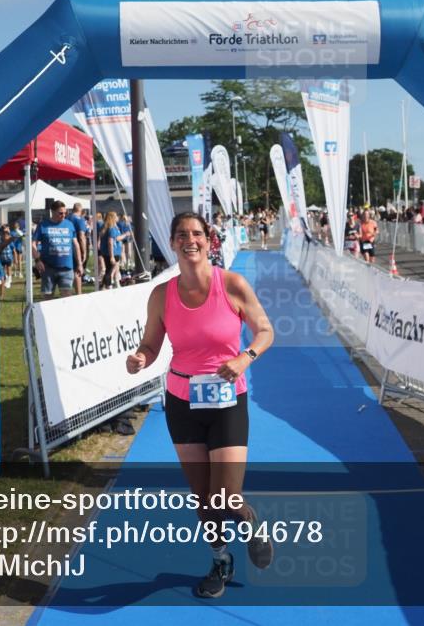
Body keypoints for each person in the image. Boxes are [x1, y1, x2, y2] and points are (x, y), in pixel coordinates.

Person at [126, 212, 275, 598]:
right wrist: (141, 357)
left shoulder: (232, 285)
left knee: (226, 496)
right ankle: (220, 559)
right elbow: (151, 343)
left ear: (209, 240)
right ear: (172, 243)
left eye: (197, 234)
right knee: (204, 499)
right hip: (182, 402)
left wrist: (245, 357)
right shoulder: (162, 295)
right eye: (181, 235)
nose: (190, 240)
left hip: (227, 400)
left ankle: (250, 523)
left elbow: (265, 329)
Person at [32, 201, 80, 299]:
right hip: (48, 268)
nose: (63, 215)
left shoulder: (69, 224)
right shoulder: (43, 225)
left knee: (67, 298)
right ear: (52, 212)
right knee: (48, 298)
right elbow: (33, 244)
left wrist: (79, 264)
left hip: (67, 268)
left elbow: (76, 245)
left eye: (65, 213)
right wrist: (37, 260)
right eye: (60, 213)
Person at [68, 203, 89, 295]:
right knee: (78, 271)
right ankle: (78, 294)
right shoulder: (80, 220)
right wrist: (84, 251)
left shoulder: (66, 218)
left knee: (68, 270)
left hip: (66, 246)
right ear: (80, 210)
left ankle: (68, 293)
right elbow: (81, 236)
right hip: (75, 247)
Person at [100, 211, 123, 288]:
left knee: (110, 270)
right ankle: (108, 285)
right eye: (116, 216)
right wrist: (112, 256)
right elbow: (110, 242)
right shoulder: (111, 228)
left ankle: (103, 285)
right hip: (113, 252)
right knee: (110, 271)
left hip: (108, 252)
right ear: (113, 218)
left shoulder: (107, 227)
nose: (117, 217)